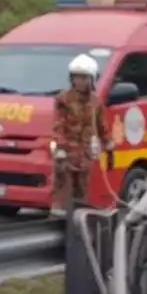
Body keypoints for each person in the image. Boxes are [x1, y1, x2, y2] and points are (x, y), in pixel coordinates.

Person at [51, 54, 109, 217]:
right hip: (66, 154)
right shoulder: (63, 100)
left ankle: (79, 219)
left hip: (85, 155)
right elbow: (58, 126)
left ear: (92, 79)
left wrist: (108, 143)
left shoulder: (96, 102)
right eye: (77, 77)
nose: (81, 82)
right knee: (63, 189)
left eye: (84, 78)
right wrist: (61, 149)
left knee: (82, 192)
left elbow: (102, 126)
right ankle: (58, 218)